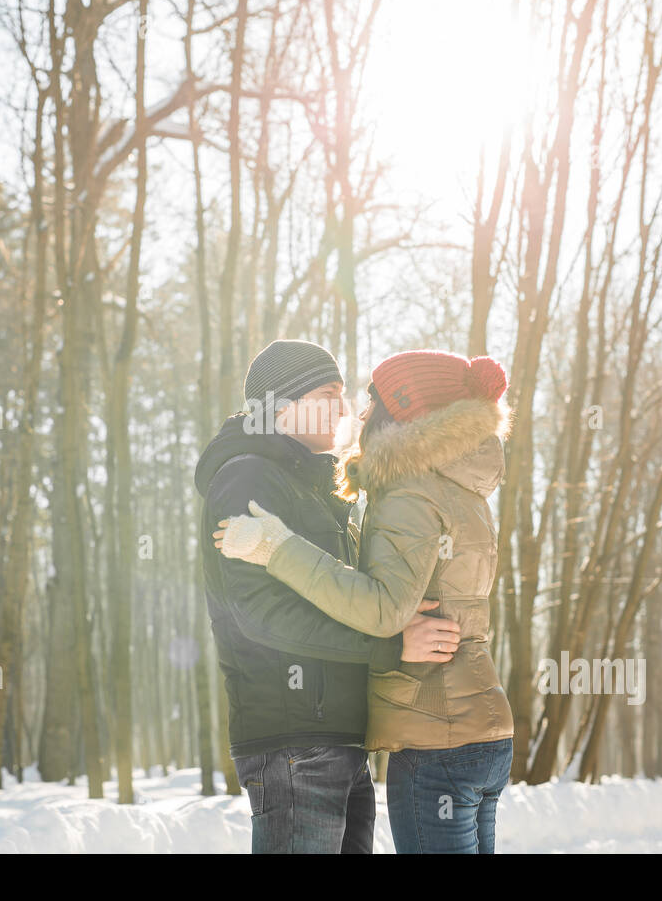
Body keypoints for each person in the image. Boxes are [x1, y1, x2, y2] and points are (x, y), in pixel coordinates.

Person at [215, 350, 516, 854]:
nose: (356, 412)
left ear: (402, 413)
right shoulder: (462, 487)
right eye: (329, 395)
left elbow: (382, 610)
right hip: (479, 724)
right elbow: (257, 610)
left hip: (435, 730)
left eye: (368, 399)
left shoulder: (410, 491)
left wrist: (279, 548)